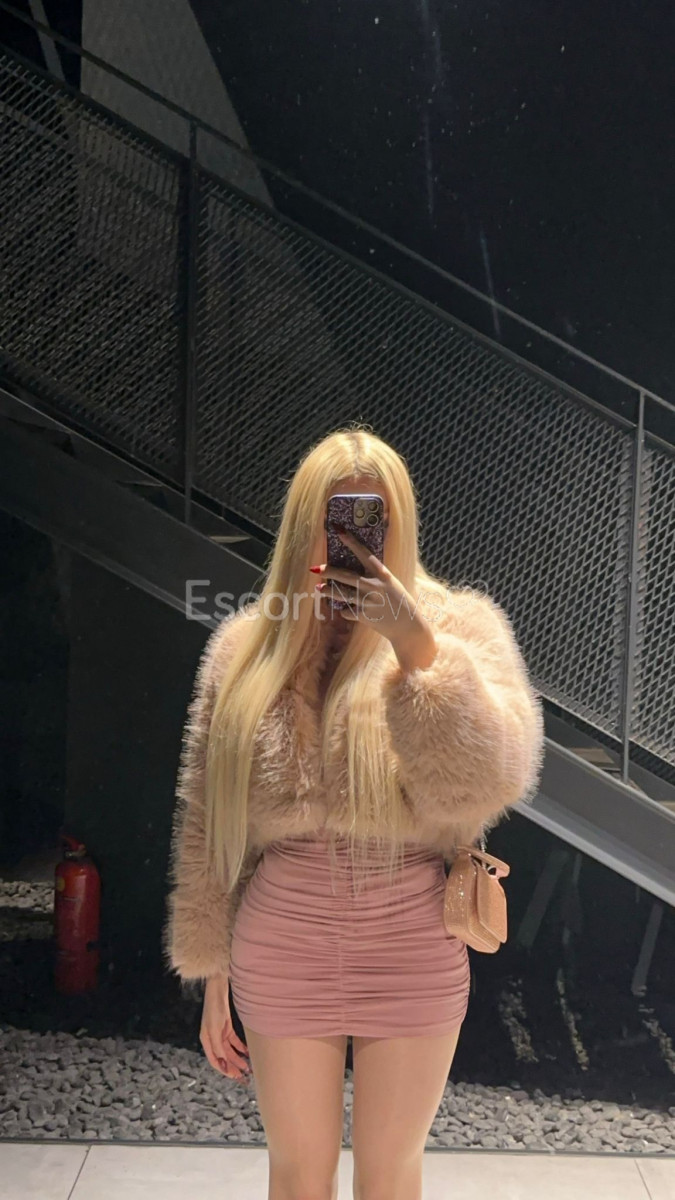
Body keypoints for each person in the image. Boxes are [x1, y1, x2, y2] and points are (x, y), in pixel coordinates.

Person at [162, 427, 545, 1200]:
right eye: (333, 519)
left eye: (371, 519)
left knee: (389, 1177)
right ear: (304, 523)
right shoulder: (248, 647)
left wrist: (417, 654)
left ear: (397, 523)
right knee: (297, 1176)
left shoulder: (457, 630)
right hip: (283, 932)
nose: (350, 539)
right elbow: (209, 823)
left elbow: (487, 786)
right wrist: (211, 970)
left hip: (412, 934)